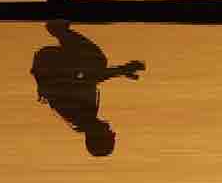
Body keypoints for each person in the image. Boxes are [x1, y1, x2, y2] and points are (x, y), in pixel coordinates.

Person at [30, 20, 145, 157]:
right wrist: (122, 71)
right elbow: (88, 78)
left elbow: (90, 77)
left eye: (110, 136)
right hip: (52, 64)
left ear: (97, 136)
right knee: (95, 63)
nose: (113, 132)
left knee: (96, 60)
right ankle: (60, 30)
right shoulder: (84, 116)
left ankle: (58, 29)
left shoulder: (79, 113)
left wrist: (122, 70)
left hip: (50, 62)